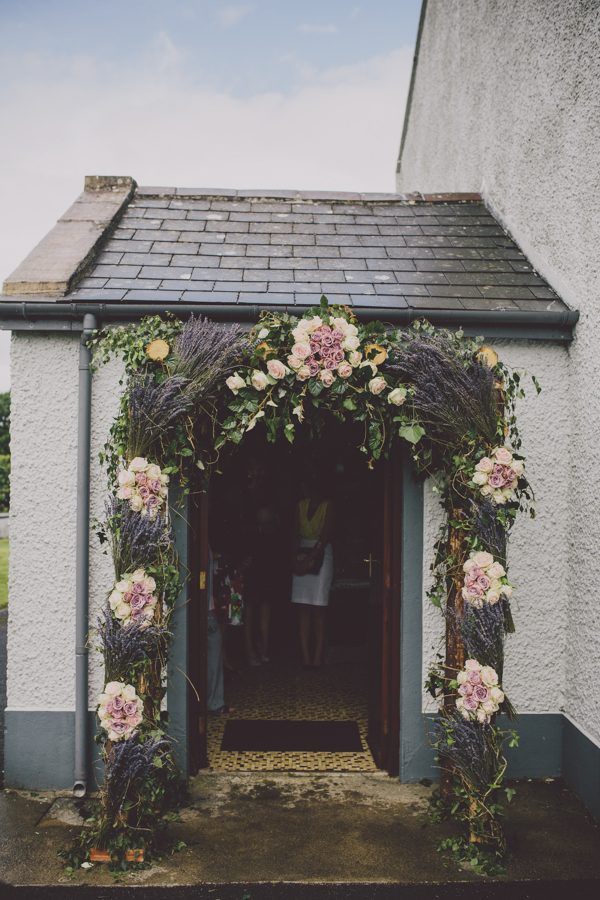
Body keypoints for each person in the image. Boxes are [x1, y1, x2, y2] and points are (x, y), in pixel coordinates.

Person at [243, 457, 287, 665]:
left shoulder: (269, 493)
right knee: (250, 605)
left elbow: (272, 518)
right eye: (253, 469)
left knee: (265, 604)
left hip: (267, 554)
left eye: (259, 469)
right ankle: (250, 649)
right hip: (250, 556)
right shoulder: (245, 494)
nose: (255, 474)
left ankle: (264, 648)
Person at [290, 477, 334, 668]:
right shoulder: (300, 505)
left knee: (318, 608)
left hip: (321, 553)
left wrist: (311, 558)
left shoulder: (327, 506)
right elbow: (295, 532)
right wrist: (295, 558)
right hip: (302, 552)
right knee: (303, 607)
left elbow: (325, 535)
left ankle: (317, 657)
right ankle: (306, 657)